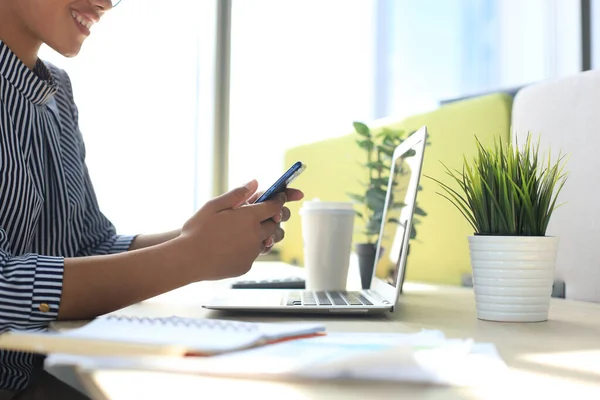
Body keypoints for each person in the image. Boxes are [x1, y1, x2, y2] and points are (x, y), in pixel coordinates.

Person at [0, 0, 303, 398]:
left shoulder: (55, 95)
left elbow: (89, 245)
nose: (106, 2)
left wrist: (199, 235)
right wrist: (190, 257)